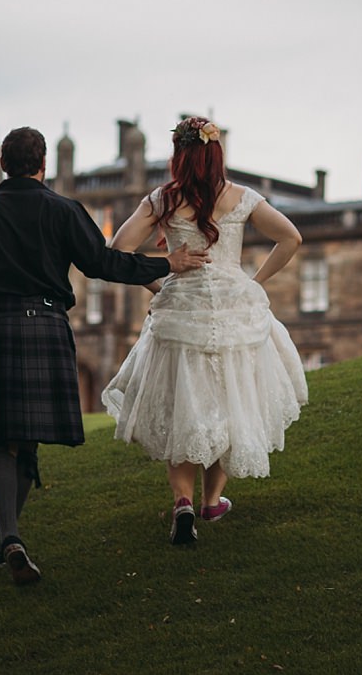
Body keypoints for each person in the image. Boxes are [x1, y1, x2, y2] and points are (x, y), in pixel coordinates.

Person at [0, 126, 209, 585]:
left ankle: (8, 536)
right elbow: (102, 263)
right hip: (45, 325)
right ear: (45, 165)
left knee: (2, 440)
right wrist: (167, 263)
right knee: (27, 439)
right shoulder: (63, 210)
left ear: (3, 164)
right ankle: (8, 537)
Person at [102, 116, 308, 546]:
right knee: (232, 401)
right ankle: (212, 502)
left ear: (178, 155)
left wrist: (159, 277)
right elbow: (291, 237)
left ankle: (182, 502)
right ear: (217, 154)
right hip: (236, 308)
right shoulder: (241, 198)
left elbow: (117, 250)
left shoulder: (162, 200)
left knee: (185, 405)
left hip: (182, 306)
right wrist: (253, 283)